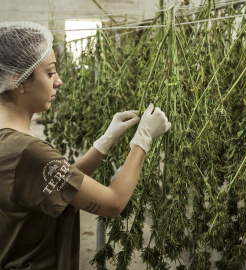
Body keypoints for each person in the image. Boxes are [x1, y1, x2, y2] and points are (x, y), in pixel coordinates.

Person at [0, 22, 171, 270]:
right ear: (19, 81)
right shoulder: (29, 153)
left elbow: (60, 187)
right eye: (50, 73)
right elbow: (113, 203)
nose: (58, 81)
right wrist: (142, 140)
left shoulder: (12, 144)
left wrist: (104, 142)